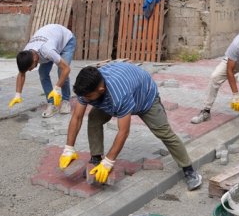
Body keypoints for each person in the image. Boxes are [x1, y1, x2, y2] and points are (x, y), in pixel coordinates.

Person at [58, 63, 203, 190]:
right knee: (94, 118)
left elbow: (123, 132)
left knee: (164, 133)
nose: (86, 100)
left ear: (100, 90)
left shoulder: (119, 95)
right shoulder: (88, 87)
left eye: (89, 97)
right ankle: (96, 159)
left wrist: (109, 162)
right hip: (123, 88)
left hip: (145, 97)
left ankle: (189, 170)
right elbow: (76, 118)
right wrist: (69, 148)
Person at [8, 24, 75, 117]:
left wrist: (57, 88)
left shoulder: (47, 51)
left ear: (35, 59)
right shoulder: (26, 53)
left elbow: (66, 69)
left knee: (61, 70)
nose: (30, 70)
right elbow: (21, 73)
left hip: (66, 41)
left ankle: (66, 101)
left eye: (30, 68)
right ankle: (51, 104)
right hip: (51, 40)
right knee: (43, 73)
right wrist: (17, 94)